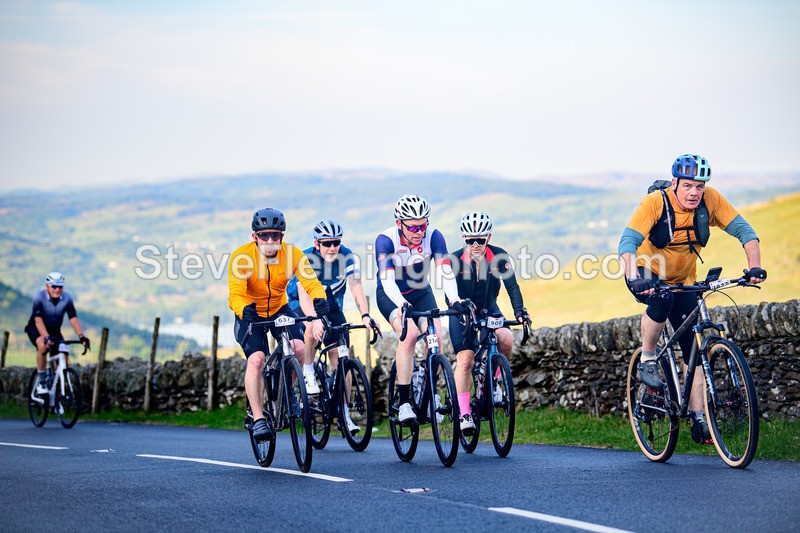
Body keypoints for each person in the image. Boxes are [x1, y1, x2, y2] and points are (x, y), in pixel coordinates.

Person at [619, 154, 766, 443]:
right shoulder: (655, 203)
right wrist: (633, 276)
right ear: (674, 183)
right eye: (688, 186)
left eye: (699, 186)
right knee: (661, 299)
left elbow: (745, 232)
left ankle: (699, 418)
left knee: (694, 353)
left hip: (683, 281)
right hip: (645, 272)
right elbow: (628, 240)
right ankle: (648, 358)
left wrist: (755, 267)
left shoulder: (710, 200)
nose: (694, 193)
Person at [228, 208, 330, 441]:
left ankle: (285, 396)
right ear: (255, 237)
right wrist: (244, 309)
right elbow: (235, 294)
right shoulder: (240, 257)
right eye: (265, 236)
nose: (271, 241)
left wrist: (320, 299)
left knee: (301, 348)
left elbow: (311, 282)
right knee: (256, 360)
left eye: (276, 235)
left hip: (278, 309)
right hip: (250, 313)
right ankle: (258, 419)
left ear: (282, 236)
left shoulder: (292, 254)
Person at [374, 194, 466, 424]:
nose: (419, 232)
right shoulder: (385, 240)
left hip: (421, 292)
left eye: (423, 225)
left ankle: (430, 391)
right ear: (399, 224)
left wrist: (454, 298)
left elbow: (445, 271)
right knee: (410, 335)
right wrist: (401, 304)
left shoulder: (433, 237)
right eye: (413, 227)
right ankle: (404, 403)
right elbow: (387, 281)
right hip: (391, 294)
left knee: (436, 337)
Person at [287, 219, 381, 434]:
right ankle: (308, 370)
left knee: (342, 359)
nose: (332, 247)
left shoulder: (347, 256)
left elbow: (356, 285)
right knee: (312, 328)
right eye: (327, 243)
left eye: (335, 242)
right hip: (302, 305)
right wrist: (313, 319)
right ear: (317, 243)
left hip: (331, 307)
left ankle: (344, 413)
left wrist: (365, 315)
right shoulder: (306, 258)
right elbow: (304, 296)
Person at [447, 211, 532, 435]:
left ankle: (493, 383)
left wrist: (520, 311)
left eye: (480, 240)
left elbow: (512, 286)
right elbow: (450, 293)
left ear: (489, 237)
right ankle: (464, 413)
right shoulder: (454, 260)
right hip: (461, 312)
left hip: (488, 308)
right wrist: (460, 309)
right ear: (464, 239)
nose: (475, 244)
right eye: (470, 240)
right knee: (465, 360)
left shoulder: (499, 256)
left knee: (506, 339)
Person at [24, 272, 90, 394]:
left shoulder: (67, 298)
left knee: (64, 354)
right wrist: (46, 338)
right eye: (54, 286)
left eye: (60, 287)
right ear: (47, 286)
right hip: (36, 329)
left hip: (55, 331)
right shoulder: (39, 296)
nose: (57, 289)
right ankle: (42, 383)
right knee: (43, 346)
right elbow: (38, 320)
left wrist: (81, 336)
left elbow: (73, 318)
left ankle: (57, 390)